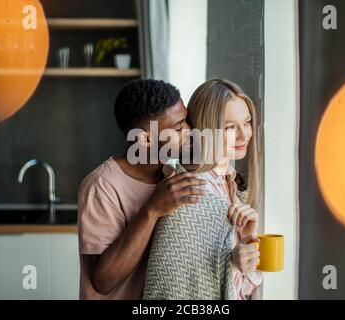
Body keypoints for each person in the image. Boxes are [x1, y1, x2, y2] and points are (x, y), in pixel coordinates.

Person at [77, 79, 208, 299]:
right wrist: (152, 209)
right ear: (145, 139)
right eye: (178, 127)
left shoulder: (171, 174)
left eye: (186, 120)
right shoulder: (102, 185)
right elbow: (103, 281)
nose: (189, 130)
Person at [187, 79, 263, 299]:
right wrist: (230, 263)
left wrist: (247, 240)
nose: (244, 135)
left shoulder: (228, 181)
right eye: (230, 127)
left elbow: (242, 291)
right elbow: (195, 288)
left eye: (247, 122)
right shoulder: (196, 191)